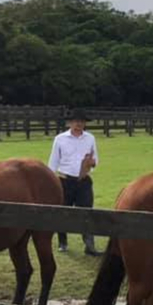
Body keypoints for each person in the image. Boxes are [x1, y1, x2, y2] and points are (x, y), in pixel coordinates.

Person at [47, 108, 101, 256]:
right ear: (70, 123)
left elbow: (96, 159)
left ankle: (89, 245)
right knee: (63, 212)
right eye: (76, 121)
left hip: (83, 181)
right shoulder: (60, 139)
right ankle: (62, 242)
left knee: (87, 213)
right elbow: (53, 162)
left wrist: (91, 162)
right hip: (65, 181)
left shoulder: (90, 138)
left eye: (82, 121)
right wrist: (52, 182)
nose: (79, 124)